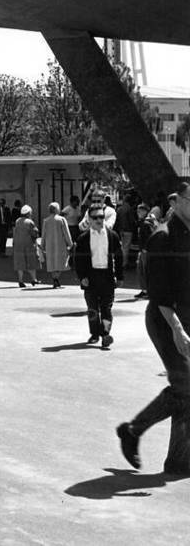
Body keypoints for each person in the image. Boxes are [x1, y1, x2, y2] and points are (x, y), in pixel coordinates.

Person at [116, 182, 190, 476]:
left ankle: (178, 460)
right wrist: (177, 329)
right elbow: (159, 293)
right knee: (186, 385)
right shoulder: (163, 237)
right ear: (179, 201)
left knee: (187, 391)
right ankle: (134, 431)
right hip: (164, 321)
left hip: (185, 317)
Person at [72, 204, 123, 349]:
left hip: (107, 276)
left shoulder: (112, 235)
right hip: (91, 276)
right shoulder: (83, 239)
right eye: (95, 217)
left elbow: (119, 257)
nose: (99, 220)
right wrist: (82, 277)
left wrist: (119, 276)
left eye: (101, 216)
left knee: (106, 308)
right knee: (92, 308)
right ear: (89, 219)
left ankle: (105, 333)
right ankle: (95, 333)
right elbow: (78, 260)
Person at [42, 202, 74, 289]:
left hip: (49, 245)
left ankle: (54, 279)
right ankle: (56, 278)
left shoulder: (46, 221)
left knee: (52, 263)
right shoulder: (62, 219)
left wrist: (42, 245)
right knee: (61, 262)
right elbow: (66, 233)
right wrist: (70, 244)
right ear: (56, 209)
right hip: (60, 244)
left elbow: (43, 234)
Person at [12, 205, 41, 288]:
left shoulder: (17, 221)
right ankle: (33, 279)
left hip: (18, 245)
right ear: (28, 213)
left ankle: (20, 280)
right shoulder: (30, 222)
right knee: (31, 262)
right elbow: (35, 233)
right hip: (29, 245)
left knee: (20, 263)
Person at [134, 204, 156, 299]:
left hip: (145, 251)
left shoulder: (146, 223)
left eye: (139, 211)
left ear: (145, 211)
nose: (138, 213)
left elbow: (150, 237)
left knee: (145, 271)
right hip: (142, 250)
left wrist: (145, 249)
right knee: (141, 271)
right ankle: (145, 290)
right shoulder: (143, 222)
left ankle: (148, 290)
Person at [116, 193, 139, 272]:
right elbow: (132, 220)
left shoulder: (119, 209)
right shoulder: (129, 209)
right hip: (128, 230)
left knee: (122, 246)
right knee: (126, 248)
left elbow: (117, 220)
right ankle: (124, 264)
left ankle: (121, 263)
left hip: (121, 230)